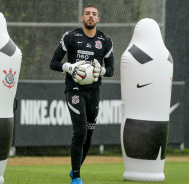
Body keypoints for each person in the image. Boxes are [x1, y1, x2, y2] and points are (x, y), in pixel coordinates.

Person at [50, 4, 114, 184]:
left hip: (93, 92)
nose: (91, 17)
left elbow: (111, 70)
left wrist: (101, 71)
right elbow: (53, 63)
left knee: (89, 134)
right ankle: (77, 177)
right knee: (80, 133)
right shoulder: (70, 37)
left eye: (94, 14)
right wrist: (68, 67)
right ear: (82, 17)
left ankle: (75, 168)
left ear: (98, 19)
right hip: (74, 90)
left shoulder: (106, 40)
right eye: (87, 14)